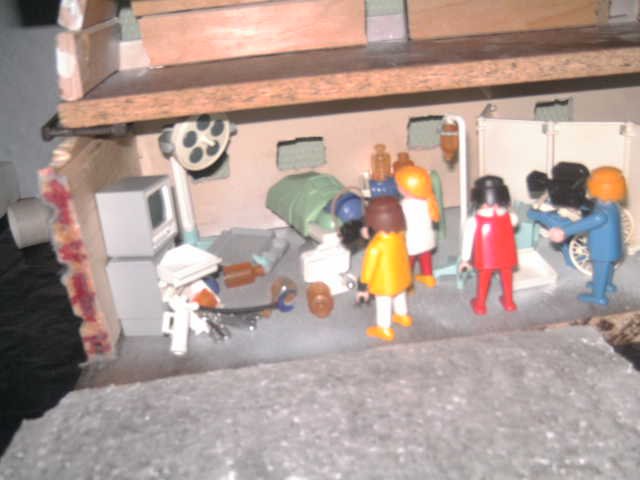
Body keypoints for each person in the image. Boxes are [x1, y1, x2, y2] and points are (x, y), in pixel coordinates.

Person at [548, 166, 626, 305]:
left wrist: (564, 231)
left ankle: (598, 296)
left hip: (602, 249)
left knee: (600, 270)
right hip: (613, 247)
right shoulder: (613, 205)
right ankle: (607, 285)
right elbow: (592, 208)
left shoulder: (601, 214)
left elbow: (585, 223)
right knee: (608, 267)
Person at [459, 176, 518, 315]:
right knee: (507, 279)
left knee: (483, 280)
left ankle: (480, 305)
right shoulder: (511, 217)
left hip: (486, 258)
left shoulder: (473, 221)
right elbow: (514, 222)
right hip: (507, 257)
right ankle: (509, 302)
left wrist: (465, 259)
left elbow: (467, 241)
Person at [357, 196, 412, 341]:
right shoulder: (400, 237)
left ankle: (384, 328)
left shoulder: (375, 246)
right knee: (399, 296)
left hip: (384, 284)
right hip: (401, 279)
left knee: (383, 303)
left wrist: (363, 286)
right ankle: (402, 315)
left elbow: (368, 269)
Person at [395, 165, 441, 287]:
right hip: (427, 238)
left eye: (399, 185)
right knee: (425, 256)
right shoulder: (428, 201)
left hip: (411, 241)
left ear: (406, 189)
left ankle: (407, 282)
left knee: (408, 261)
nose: (397, 187)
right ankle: (428, 277)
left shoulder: (404, 205)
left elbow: (398, 222)